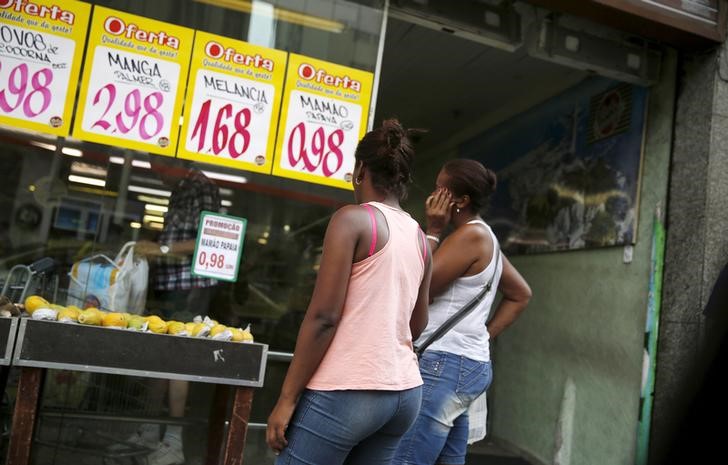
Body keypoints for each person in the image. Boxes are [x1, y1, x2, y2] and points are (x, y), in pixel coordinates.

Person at [266, 119, 432, 465]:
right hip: (404, 393)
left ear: (360, 170)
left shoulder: (353, 220)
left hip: (349, 392)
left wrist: (287, 397)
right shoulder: (418, 236)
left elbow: (324, 317)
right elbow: (418, 323)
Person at [392, 159, 532, 465]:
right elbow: (520, 294)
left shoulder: (470, 237)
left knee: (405, 458)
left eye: (440, 187)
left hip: (445, 365)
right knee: (447, 460)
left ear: (461, 200)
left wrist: (433, 230)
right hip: (465, 364)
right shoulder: (485, 237)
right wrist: (482, 336)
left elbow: (416, 292)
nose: (433, 193)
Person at [132, 160, 221, 465]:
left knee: (178, 361)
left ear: (174, 159)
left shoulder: (201, 187)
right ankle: (149, 430)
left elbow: (210, 239)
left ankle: (173, 440)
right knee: (160, 356)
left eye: (159, 168)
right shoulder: (180, 189)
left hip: (190, 287)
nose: (157, 174)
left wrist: (162, 250)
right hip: (169, 283)